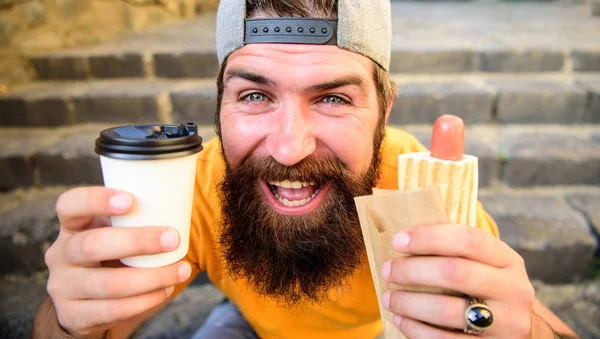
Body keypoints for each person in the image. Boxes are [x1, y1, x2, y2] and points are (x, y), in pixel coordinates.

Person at [32, 0, 578, 338]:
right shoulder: (194, 181)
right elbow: (96, 325)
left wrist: (525, 331)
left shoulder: (422, 180)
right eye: (253, 96)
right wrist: (67, 317)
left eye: (334, 99)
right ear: (220, 103)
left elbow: (508, 312)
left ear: (383, 114)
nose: (290, 147)